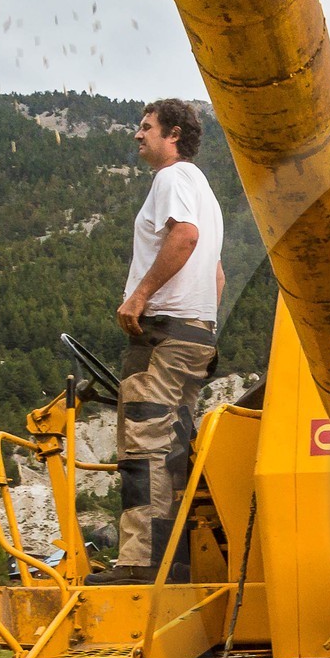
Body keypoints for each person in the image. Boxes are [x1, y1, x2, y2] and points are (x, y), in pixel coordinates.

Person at [93, 98, 225, 585]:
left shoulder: (170, 179)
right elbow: (218, 275)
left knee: (143, 443)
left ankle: (143, 563)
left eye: (145, 127)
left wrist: (140, 297)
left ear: (172, 134)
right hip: (195, 334)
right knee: (175, 446)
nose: (137, 134)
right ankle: (175, 562)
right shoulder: (204, 191)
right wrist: (202, 325)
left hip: (165, 334)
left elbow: (184, 237)